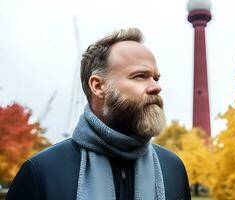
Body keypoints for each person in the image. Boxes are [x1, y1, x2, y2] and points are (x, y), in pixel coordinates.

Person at [6, 28, 191, 200]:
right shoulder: (42, 173)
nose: (156, 87)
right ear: (98, 86)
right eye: (140, 76)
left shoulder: (173, 168)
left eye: (155, 78)